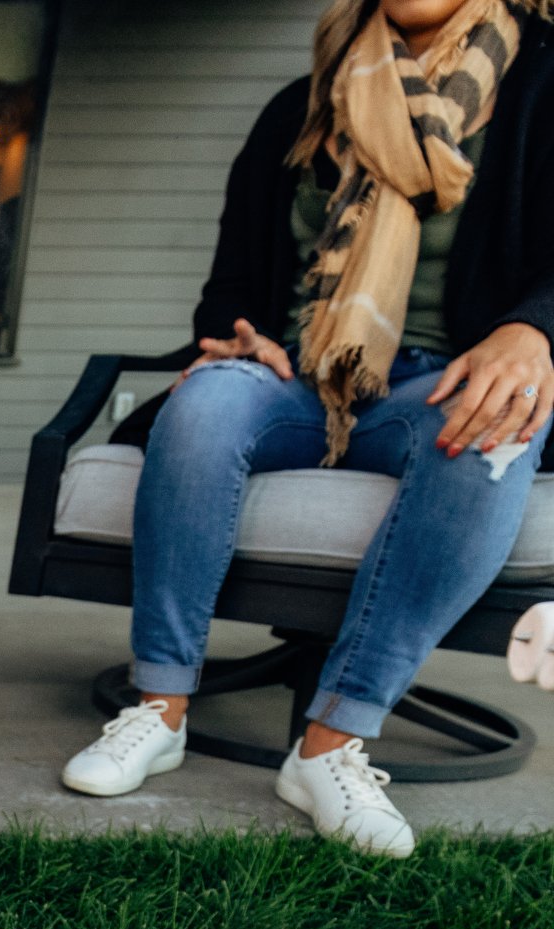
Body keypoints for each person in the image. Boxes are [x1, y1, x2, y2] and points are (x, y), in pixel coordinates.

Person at [60, 0, 554, 858]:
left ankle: (332, 744)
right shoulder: (306, 105)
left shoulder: (540, 87)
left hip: (441, 380)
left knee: (492, 429)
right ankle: (159, 707)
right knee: (207, 399)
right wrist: (238, 334)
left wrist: (535, 326)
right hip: (299, 373)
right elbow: (228, 286)